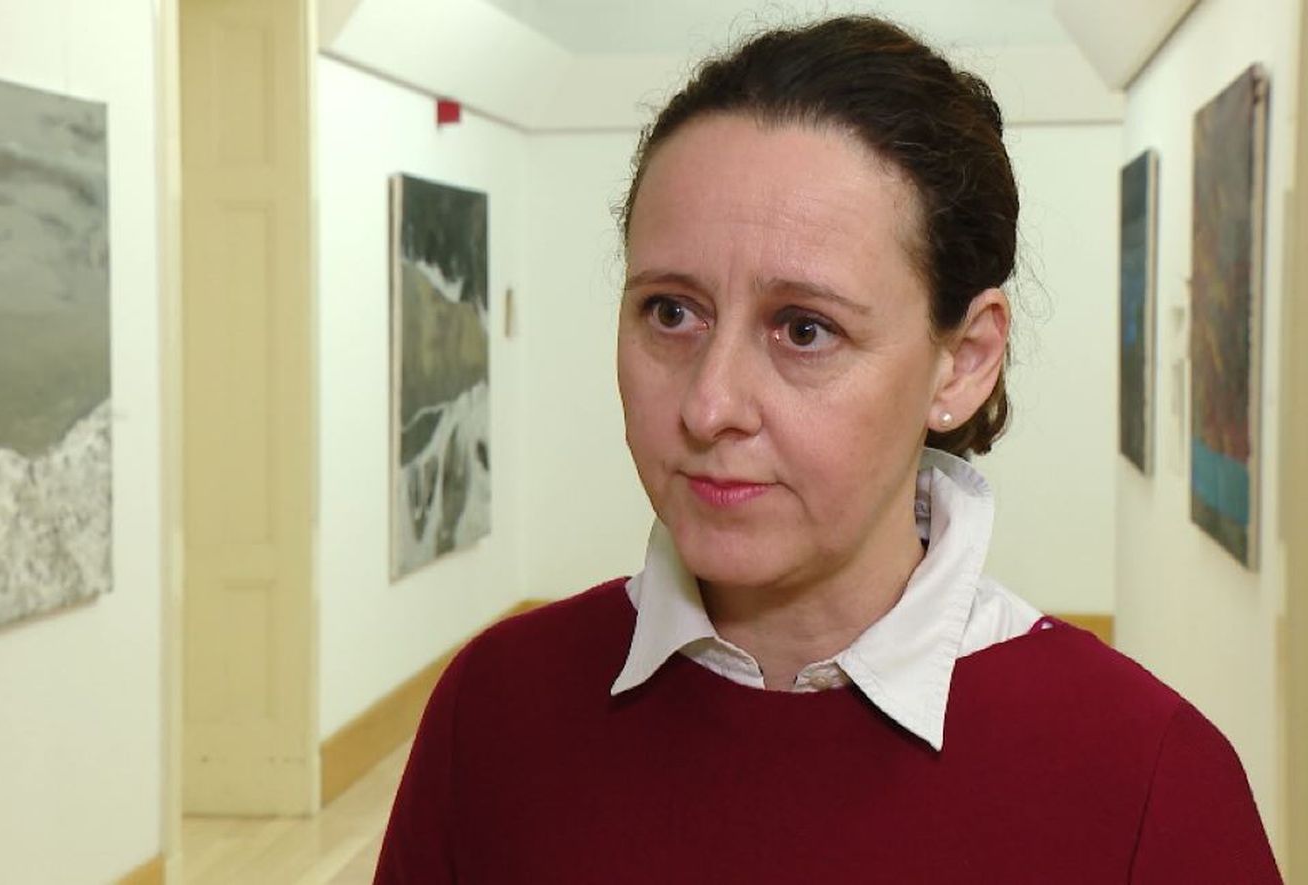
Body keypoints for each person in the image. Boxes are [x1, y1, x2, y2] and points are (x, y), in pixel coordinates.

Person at [373, 15, 1282, 883]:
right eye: (672, 312)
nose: (710, 405)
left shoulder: (1147, 779)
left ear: (964, 361)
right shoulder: (494, 713)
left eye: (804, 329)